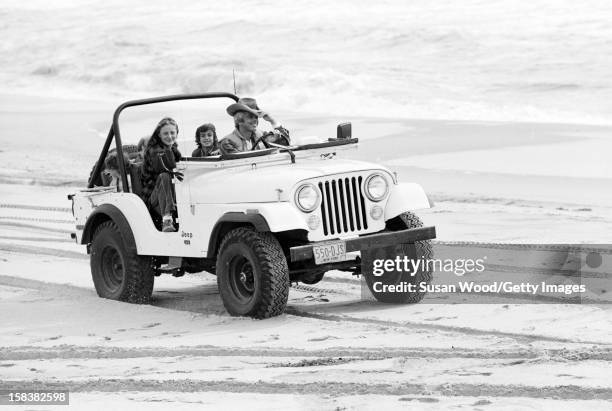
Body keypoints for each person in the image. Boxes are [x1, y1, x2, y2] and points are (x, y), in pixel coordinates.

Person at [140, 117, 182, 232]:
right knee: (165, 176)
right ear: (159, 135)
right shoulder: (155, 150)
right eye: (165, 133)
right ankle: (167, 219)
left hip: (171, 194)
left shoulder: (173, 147)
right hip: (155, 197)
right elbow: (166, 168)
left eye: (172, 132)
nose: (170, 136)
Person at [219, 97, 290, 155]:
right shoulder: (227, 142)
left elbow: (286, 144)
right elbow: (241, 162)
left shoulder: (262, 136)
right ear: (240, 121)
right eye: (250, 117)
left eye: (256, 117)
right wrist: (263, 147)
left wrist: (272, 121)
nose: (255, 120)